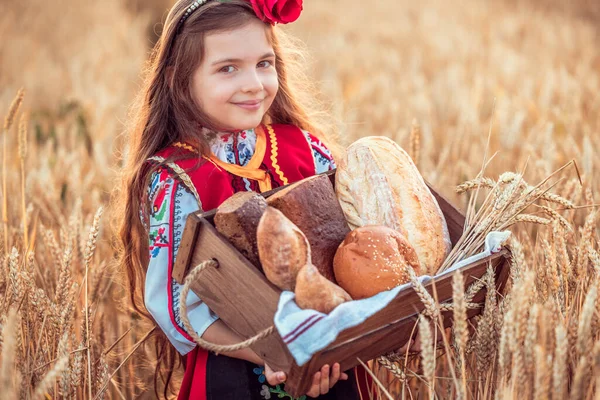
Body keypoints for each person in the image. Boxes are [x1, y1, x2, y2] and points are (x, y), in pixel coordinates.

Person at [114, 0, 378, 399]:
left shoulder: (306, 150)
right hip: (239, 373)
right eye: (227, 68)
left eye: (264, 63)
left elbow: (352, 252)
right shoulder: (177, 179)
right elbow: (175, 307)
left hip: (332, 365)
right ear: (179, 79)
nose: (254, 83)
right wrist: (268, 356)